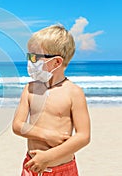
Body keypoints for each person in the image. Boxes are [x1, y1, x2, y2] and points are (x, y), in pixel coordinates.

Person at [12, 25, 91, 175]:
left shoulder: (74, 93)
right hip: (31, 167)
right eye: (29, 56)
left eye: (35, 57)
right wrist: (47, 135)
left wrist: (48, 156)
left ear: (56, 62)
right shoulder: (30, 89)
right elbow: (18, 125)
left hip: (62, 168)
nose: (30, 62)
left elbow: (83, 136)